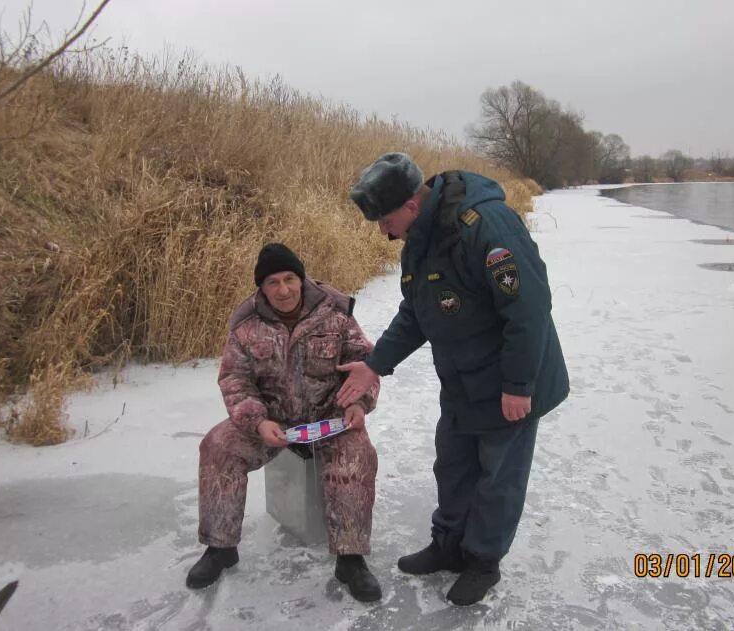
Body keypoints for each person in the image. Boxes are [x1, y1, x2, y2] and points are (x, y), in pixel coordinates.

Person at [337, 153, 569, 606]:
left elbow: (529, 310)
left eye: (384, 220)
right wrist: (374, 364)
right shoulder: (422, 238)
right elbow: (417, 312)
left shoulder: (486, 226)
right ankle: (449, 545)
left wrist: (519, 385)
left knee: (499, 475)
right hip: (463, 379)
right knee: (454, 463)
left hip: (509, 380)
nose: (384, 232)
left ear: (410, 205)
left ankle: (482, 560)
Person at [187, 243, 382, 603]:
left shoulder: (335, 315)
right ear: (261, 287)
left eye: (290, 278)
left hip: (331, 419)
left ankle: (351, 558)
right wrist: (257, 421)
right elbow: (234, 380)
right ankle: (220, 547)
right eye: (273, 282)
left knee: (358, 455)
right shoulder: (245, 326)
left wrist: (358, 403)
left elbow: (364, 363)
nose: (283, 289)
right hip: (271, 422)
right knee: (216, 447)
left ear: (301, 278)